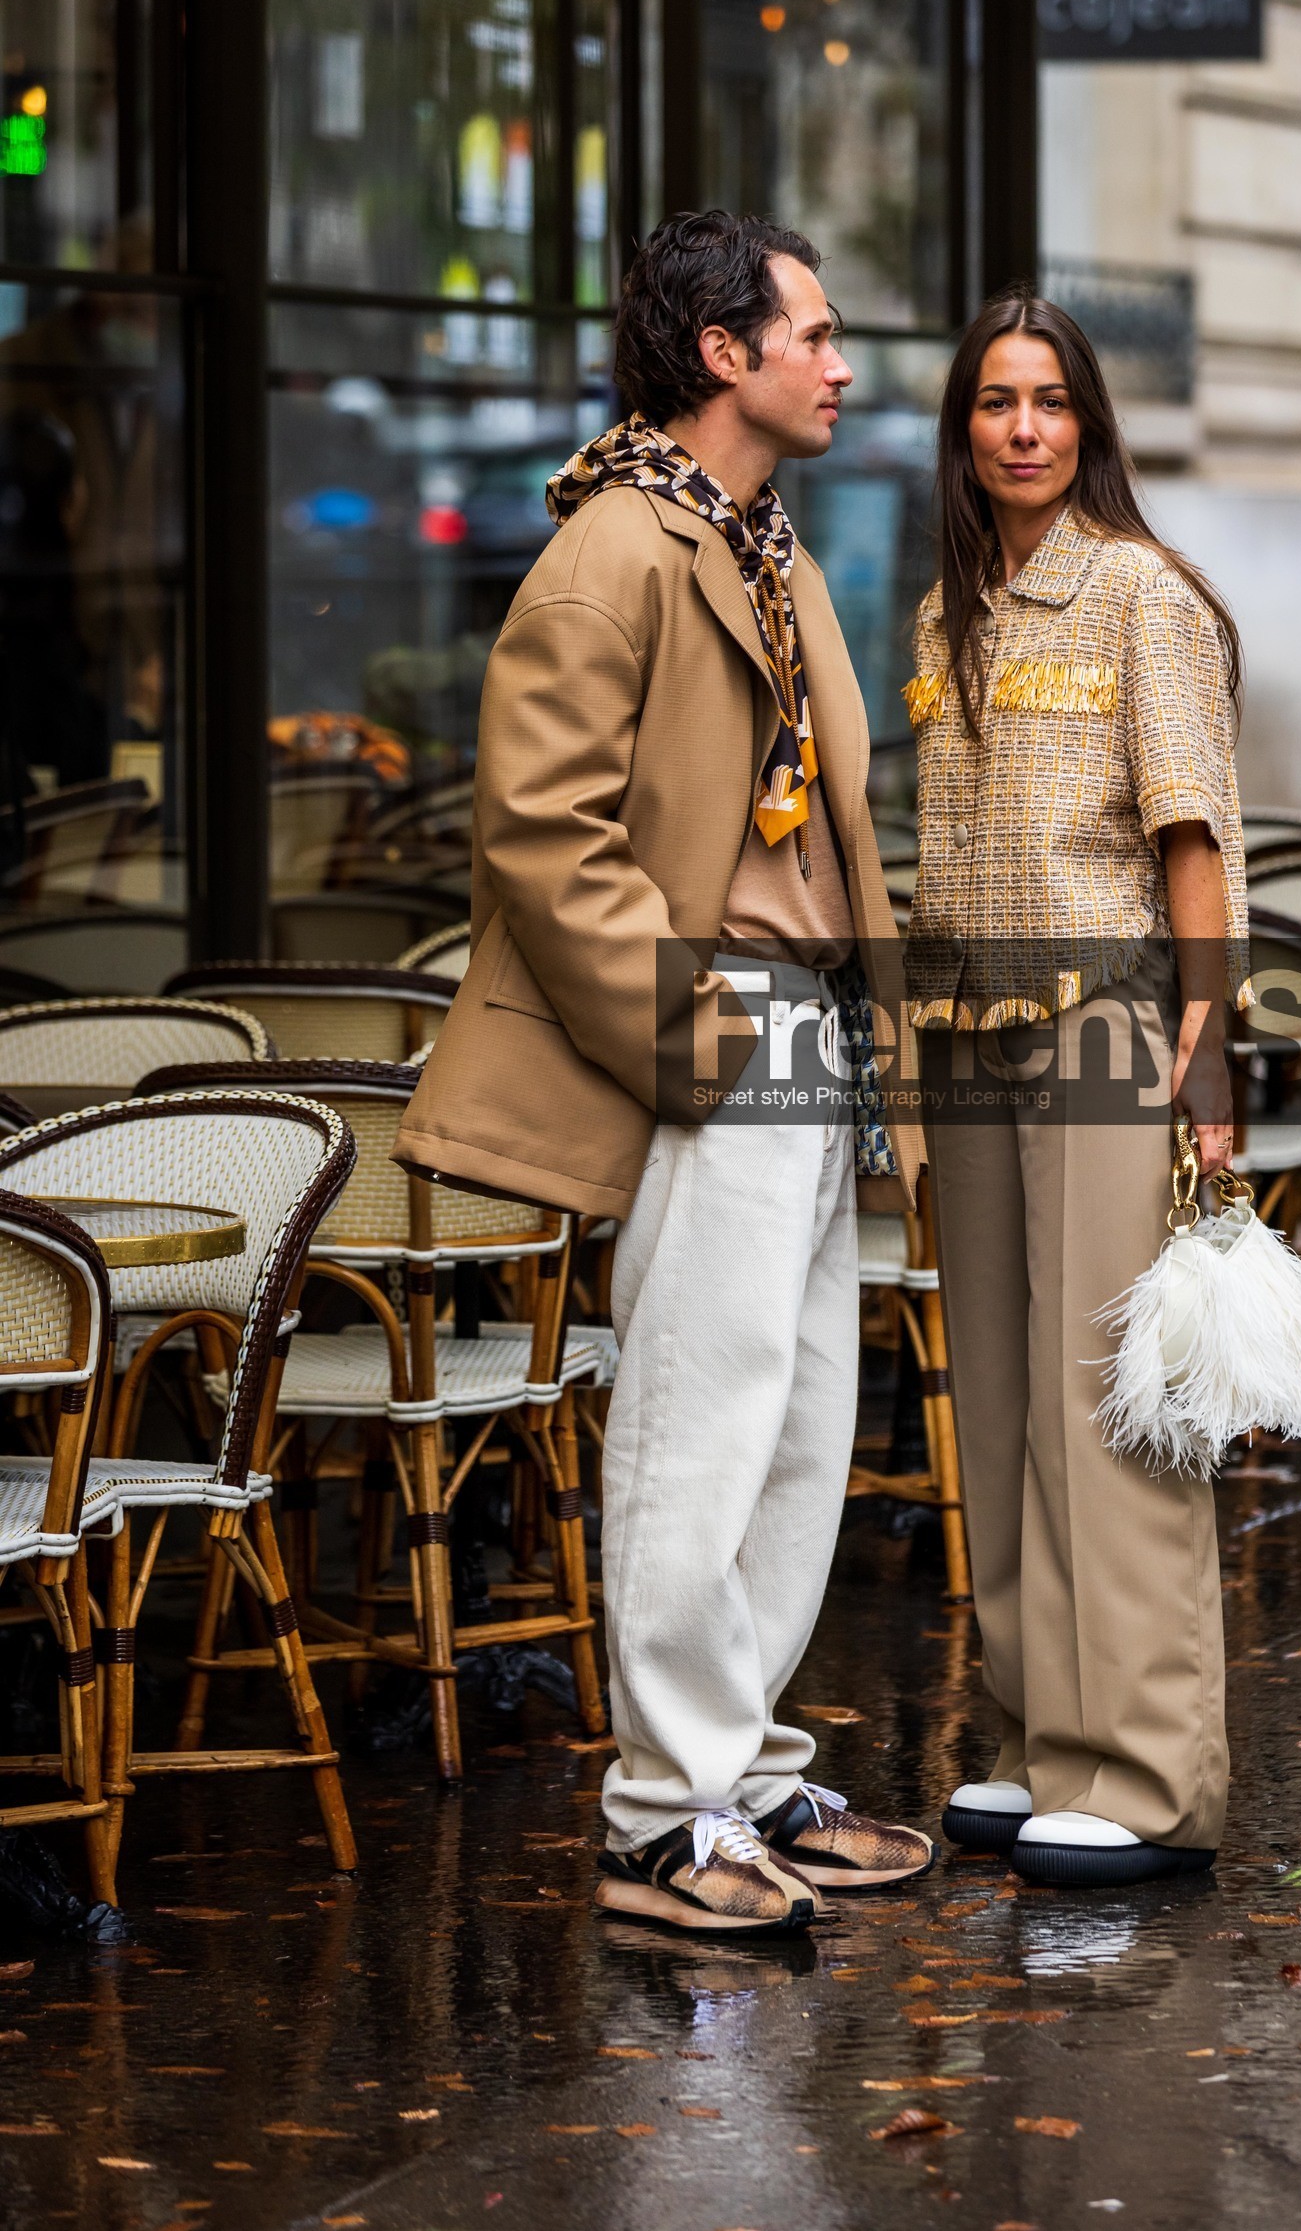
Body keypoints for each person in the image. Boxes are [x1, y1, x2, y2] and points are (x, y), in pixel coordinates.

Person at [397, 211, 931, 1935]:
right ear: (725, 351)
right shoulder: (613, 552)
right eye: (816, 333)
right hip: (720, 1023)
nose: (842, 365)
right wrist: (701, 1030)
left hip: (807, 1019)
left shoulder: (760, 539)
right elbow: (540, 839)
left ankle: (747, 1773)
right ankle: (660, 1816)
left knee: (798, 1423)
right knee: (700, 1429)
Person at [906, 291, 1247, 1889]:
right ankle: (1040, 1735)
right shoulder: (944, 612)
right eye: (994, 401)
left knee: (1111, 1400)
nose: (1022, 426)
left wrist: (1210, 1056)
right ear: (963, 428)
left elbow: (1194, 839)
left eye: (1049, 400)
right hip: (970, 1039)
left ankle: (1147, 1768)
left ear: (1089, 424)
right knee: (1001, 1392)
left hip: (1111, 1026)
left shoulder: (1142, 595)